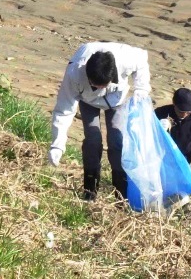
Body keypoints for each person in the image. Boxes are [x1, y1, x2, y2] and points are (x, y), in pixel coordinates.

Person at [48, 42, 151, 200]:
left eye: (103, 85)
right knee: (92, 140)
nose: (98, 87)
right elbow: (64, 110)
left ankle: (121, 194)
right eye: (94, 84)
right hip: (87, 101)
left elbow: (142, 59)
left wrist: (141, 89)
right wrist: (57, 144)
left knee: (117, 141)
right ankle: (90, 190)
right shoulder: (74, 72)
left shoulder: (126, 58)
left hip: (117, 102)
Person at [155, 87, 191, 165]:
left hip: (182, 160)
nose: (184, 114)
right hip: (160, 158)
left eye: (188, 112)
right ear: (174, 103)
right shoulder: (160, 113)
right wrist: (156, 126)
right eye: (181, 111)